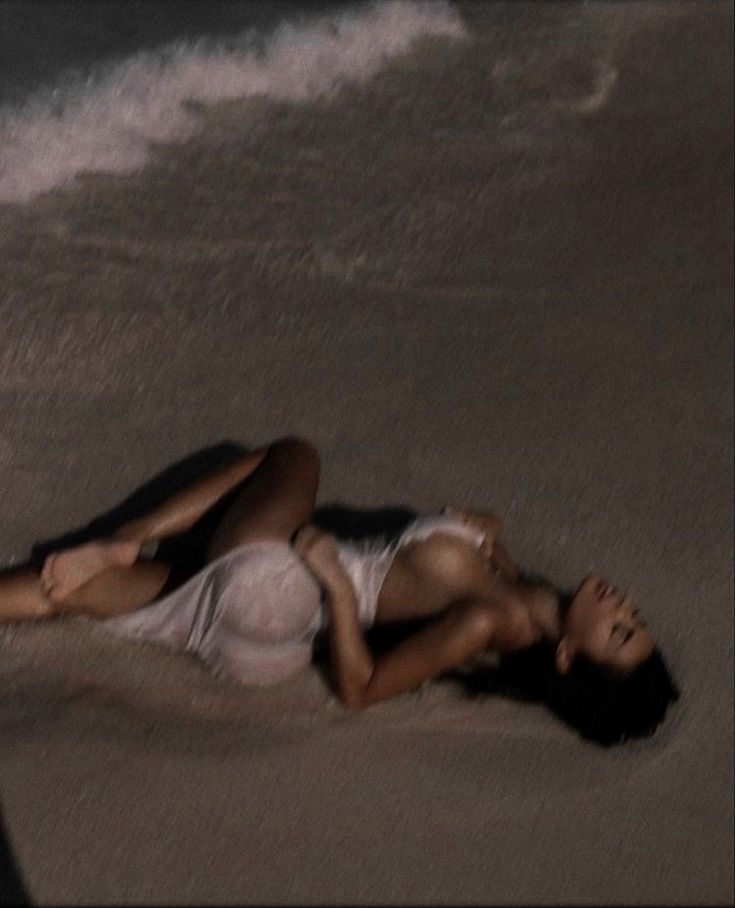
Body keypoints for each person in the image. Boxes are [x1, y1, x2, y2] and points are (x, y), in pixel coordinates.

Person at [0, 437, 679, 745]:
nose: (621, 606)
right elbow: (464, 572)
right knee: (65, 591)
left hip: (282, 584)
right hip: (271, 639)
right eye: (633, 615)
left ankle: (130, 532)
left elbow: (361, 688)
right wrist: (487, 531)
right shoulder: (519, 596)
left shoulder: (490, 620)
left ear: (566, 657)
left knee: (291, 456)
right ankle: (117, 559)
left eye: (618, 630)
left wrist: (334, 583)